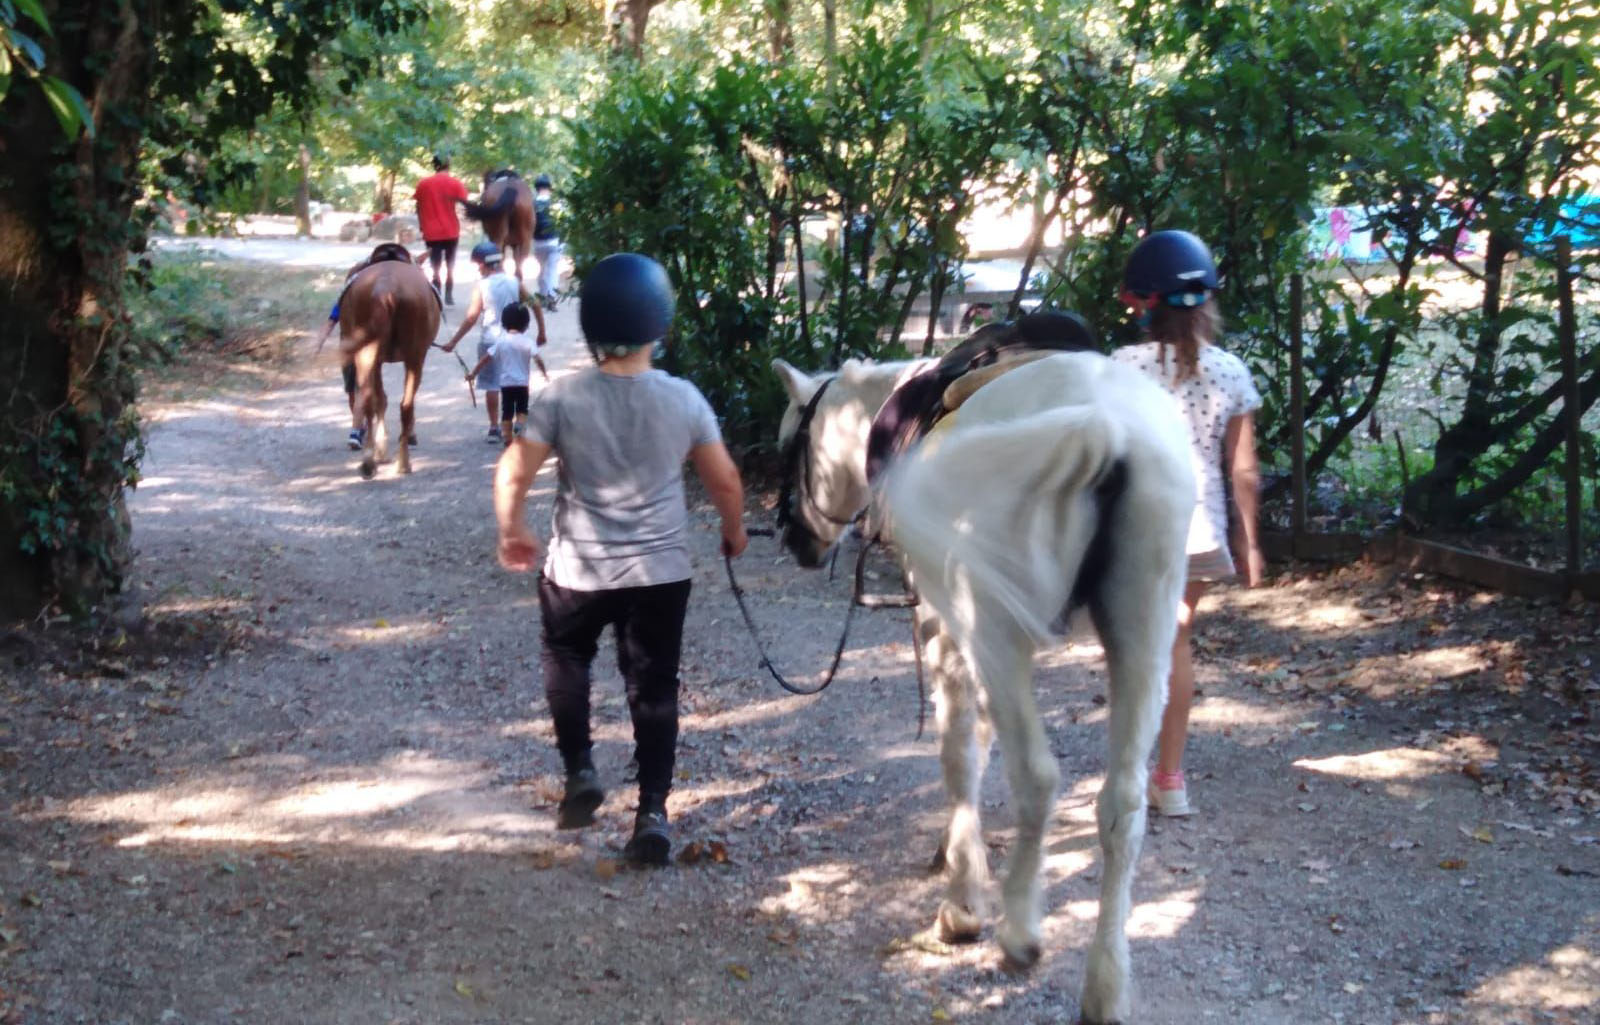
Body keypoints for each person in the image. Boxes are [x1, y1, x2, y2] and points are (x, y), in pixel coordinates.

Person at [493, 252, 749, 866]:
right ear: (660, 324)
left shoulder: (560, 397)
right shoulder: (684, 399)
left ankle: (581, 770)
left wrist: (512, 529)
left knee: (566, 655)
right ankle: (652, 814)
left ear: (591, 325)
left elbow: (515, 470)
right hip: (660, 574)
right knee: (654, 684)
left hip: (578, 569)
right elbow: (725, 483)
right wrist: (734, 532)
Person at [1110, 229, 1265, 818]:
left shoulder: (1121, 367)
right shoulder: (1230, 371)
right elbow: (1243, 471)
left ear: (1138, 302)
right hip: (1199, 530)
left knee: (1135, 647)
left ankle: (1127, 774)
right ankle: (1169, 779)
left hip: (1134, 528)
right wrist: (1249, 545)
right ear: (1209, 302)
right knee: (1175, 641)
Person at [442, 241, 548, 443]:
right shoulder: (515, 282)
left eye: (478, 265)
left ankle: (493, 427)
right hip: (515, 339)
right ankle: (518, 422)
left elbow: (472, 317)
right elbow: (535, 305)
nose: (478, 269)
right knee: (516, 381)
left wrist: (454, 342)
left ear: (485, 264)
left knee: (492, 385)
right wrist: (541, 331)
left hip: (490, 340)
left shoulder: (482, 286)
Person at [464, 302, 545, 447]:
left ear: (504, 323)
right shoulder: (528, 342)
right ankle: (519, 425)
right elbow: (538, 359)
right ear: (526, 324)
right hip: (522, 384)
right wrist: (544, 372)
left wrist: (473, 374)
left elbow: (485, 359)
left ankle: (507, 438)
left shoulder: (501, 342)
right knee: (522, 409)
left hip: (506, 384)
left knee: (506, 412)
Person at [413, 154, 469, 305]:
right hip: (451, 229)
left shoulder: (423, 184)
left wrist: (421, 225)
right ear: (448, 165)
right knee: (450, 261)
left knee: (435, 263)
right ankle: (449, 291)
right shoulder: (456, 183)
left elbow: (418, 206)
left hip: (431, 231)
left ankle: (436, 286)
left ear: (434, 165)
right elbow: (465, 204)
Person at [531, 173, 563, 310]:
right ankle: (551, 298)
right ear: (549, 188)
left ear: (537, 188)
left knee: (542, 270)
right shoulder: (557, 204)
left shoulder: (532, 204)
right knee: (552, 270)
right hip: (554, 241)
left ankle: (543, 296)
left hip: (538, 242)